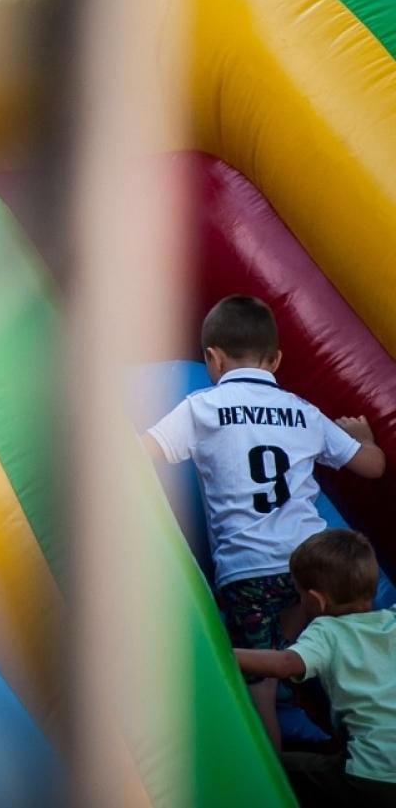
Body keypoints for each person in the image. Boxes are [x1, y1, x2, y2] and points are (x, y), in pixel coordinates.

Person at [142, 294, 385, 747]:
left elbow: (145, 453)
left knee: (262, 695)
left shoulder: (202, 407)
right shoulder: (303, 411)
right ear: (275, 359)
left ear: (211, 359)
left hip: (248, 573)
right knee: (333, 648)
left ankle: (275, 776)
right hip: (313, 566)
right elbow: (372, 467)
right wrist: (364, 438)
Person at [235, 530, 396, 807]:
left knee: (274, 768)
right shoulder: (391, 621)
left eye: (299, 593)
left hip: (373, 776)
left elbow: (286, 664)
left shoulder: (328, 631)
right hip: (379, 767)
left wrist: (226, 653)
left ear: (316, 600)